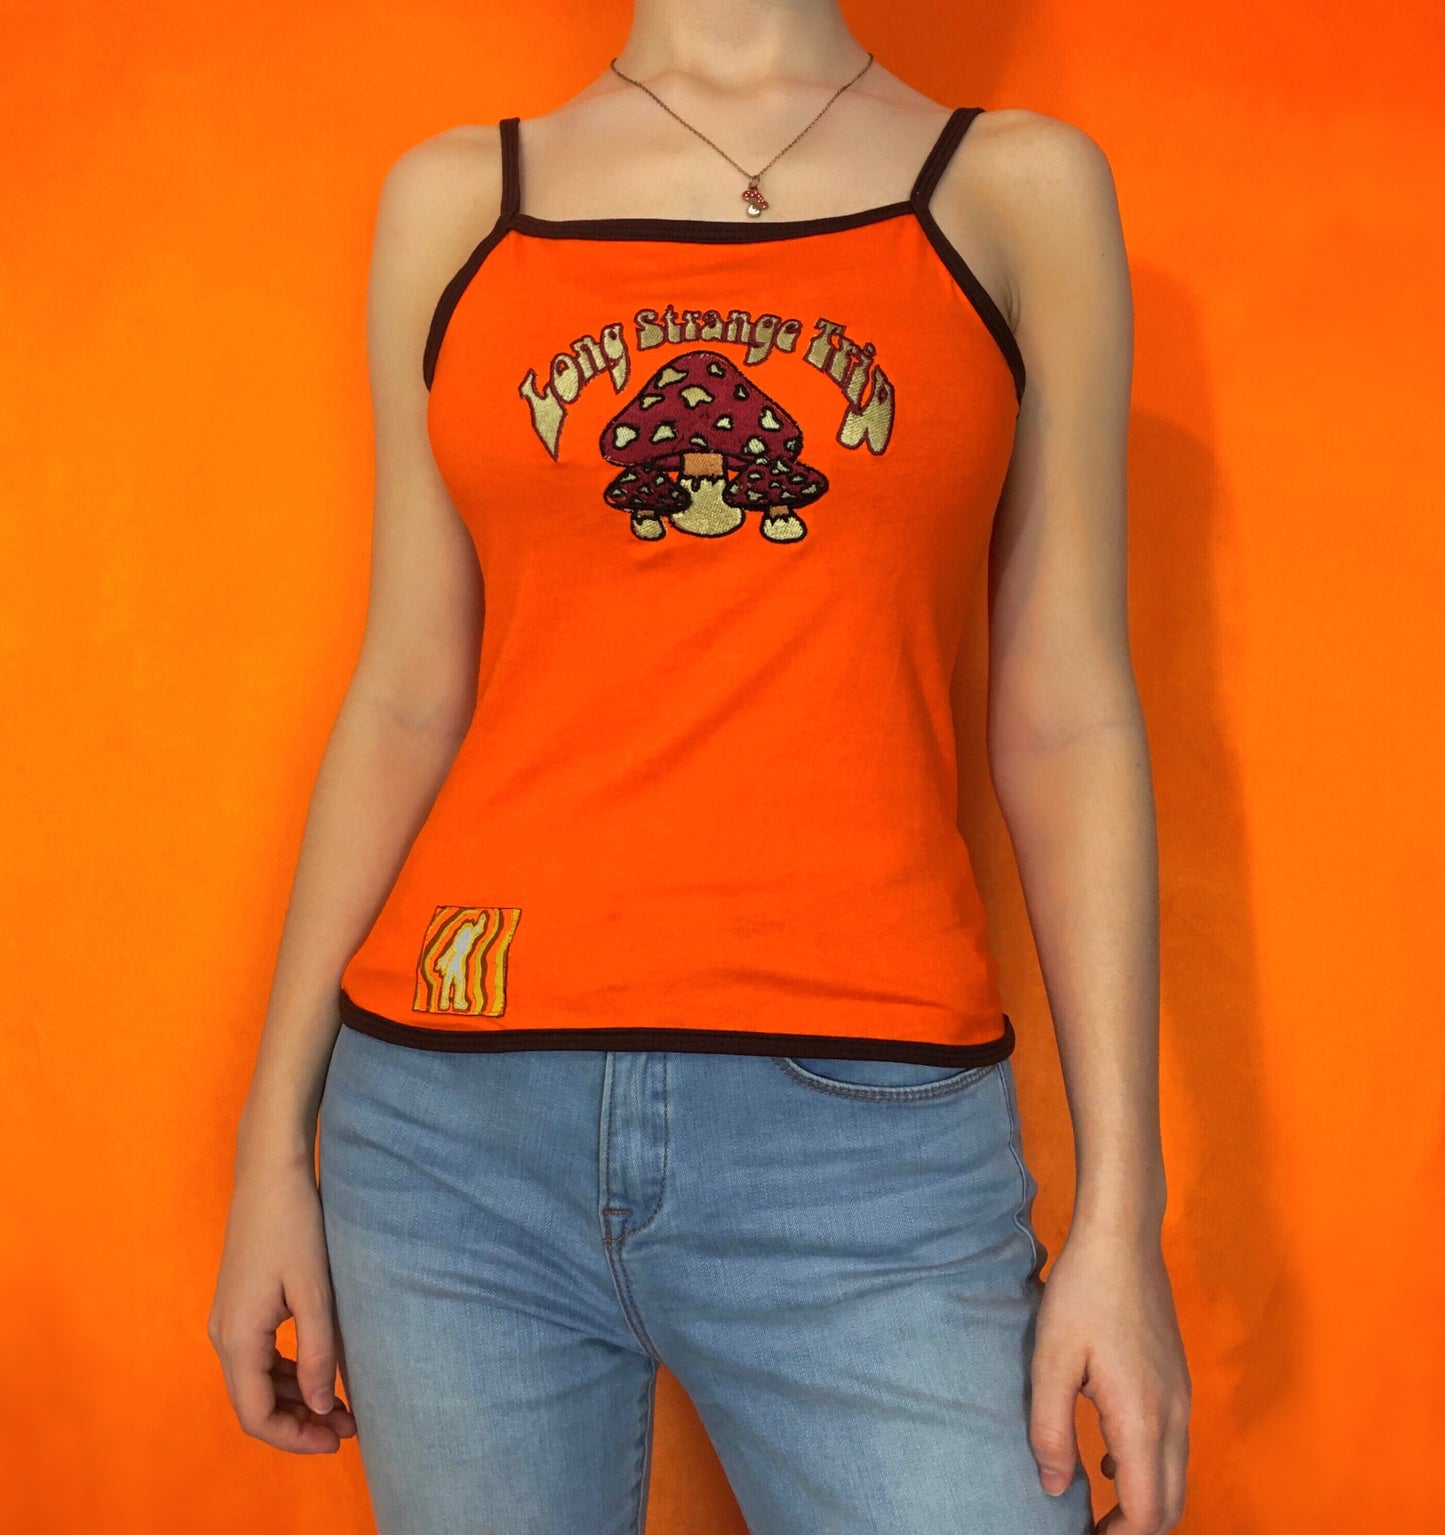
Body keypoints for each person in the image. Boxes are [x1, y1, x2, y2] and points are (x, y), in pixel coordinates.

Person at [207, 3, 1191, 1532]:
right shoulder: (457, 201)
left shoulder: (1011, 188)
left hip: (866, 1146)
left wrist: (1124, 1220)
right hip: (449, 1137)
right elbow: (406, 696)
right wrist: (272, 1143)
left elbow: (1064, 716)